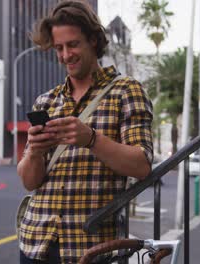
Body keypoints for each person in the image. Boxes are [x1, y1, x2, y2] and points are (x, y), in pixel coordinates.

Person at [17, 1, 153, 263]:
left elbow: (141, 165)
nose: (66, 55)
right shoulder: (46, 101)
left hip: (91, 248)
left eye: (73, 44)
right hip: (36, 243)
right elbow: (29, 181)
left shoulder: (126, 91)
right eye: (59, 48)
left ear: (93, 40)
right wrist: (34, 151)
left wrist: (90, 139)